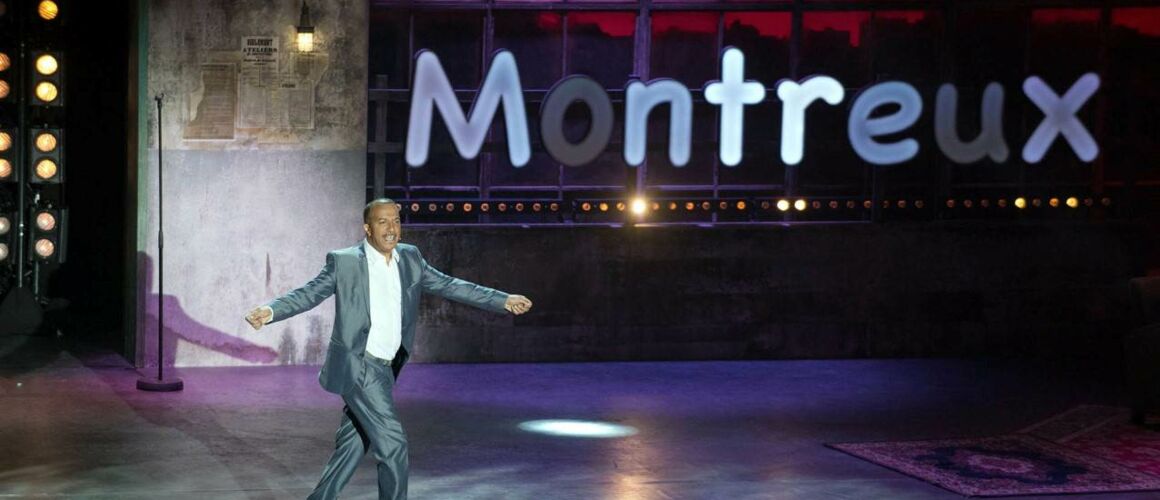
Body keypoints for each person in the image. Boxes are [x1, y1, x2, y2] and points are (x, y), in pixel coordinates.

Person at [245, 198, 532, 500]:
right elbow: (309, 293)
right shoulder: (344, 262)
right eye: (383, 222)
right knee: (393, 445)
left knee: (354, 442)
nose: (391, 228)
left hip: (386, 368)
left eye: (396, 220)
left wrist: (502, 299)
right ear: (367, 228)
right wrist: (271, 310)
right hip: (359, 365)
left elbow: (450, 285)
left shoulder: (410, 258)